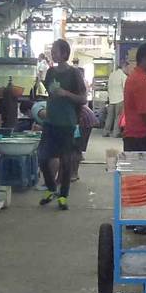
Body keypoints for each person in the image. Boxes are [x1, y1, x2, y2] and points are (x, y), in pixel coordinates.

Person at [37, 38, 86, 209]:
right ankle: (51, 188)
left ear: (65, 53)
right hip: (50, 122)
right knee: (42, 157)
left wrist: (65, 93)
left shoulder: (74, 74)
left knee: (66, 161)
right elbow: (49, 94)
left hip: (67, 123)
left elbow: (83, 98)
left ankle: (63, 196)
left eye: (55, 50)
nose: (52, 53)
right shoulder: (50, 72)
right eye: (52, 50)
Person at [106, 59, 129, 136]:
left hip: (111, 99)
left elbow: (108, 87)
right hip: (120, 99)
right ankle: (116, 132)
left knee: (109, 116)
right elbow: (125, 89)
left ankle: (106, 131)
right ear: (124, 67)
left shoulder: (112, 74)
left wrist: (109, 97)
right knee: (118, 117)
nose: (128, 70)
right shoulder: (123, 76)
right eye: (127, 68)